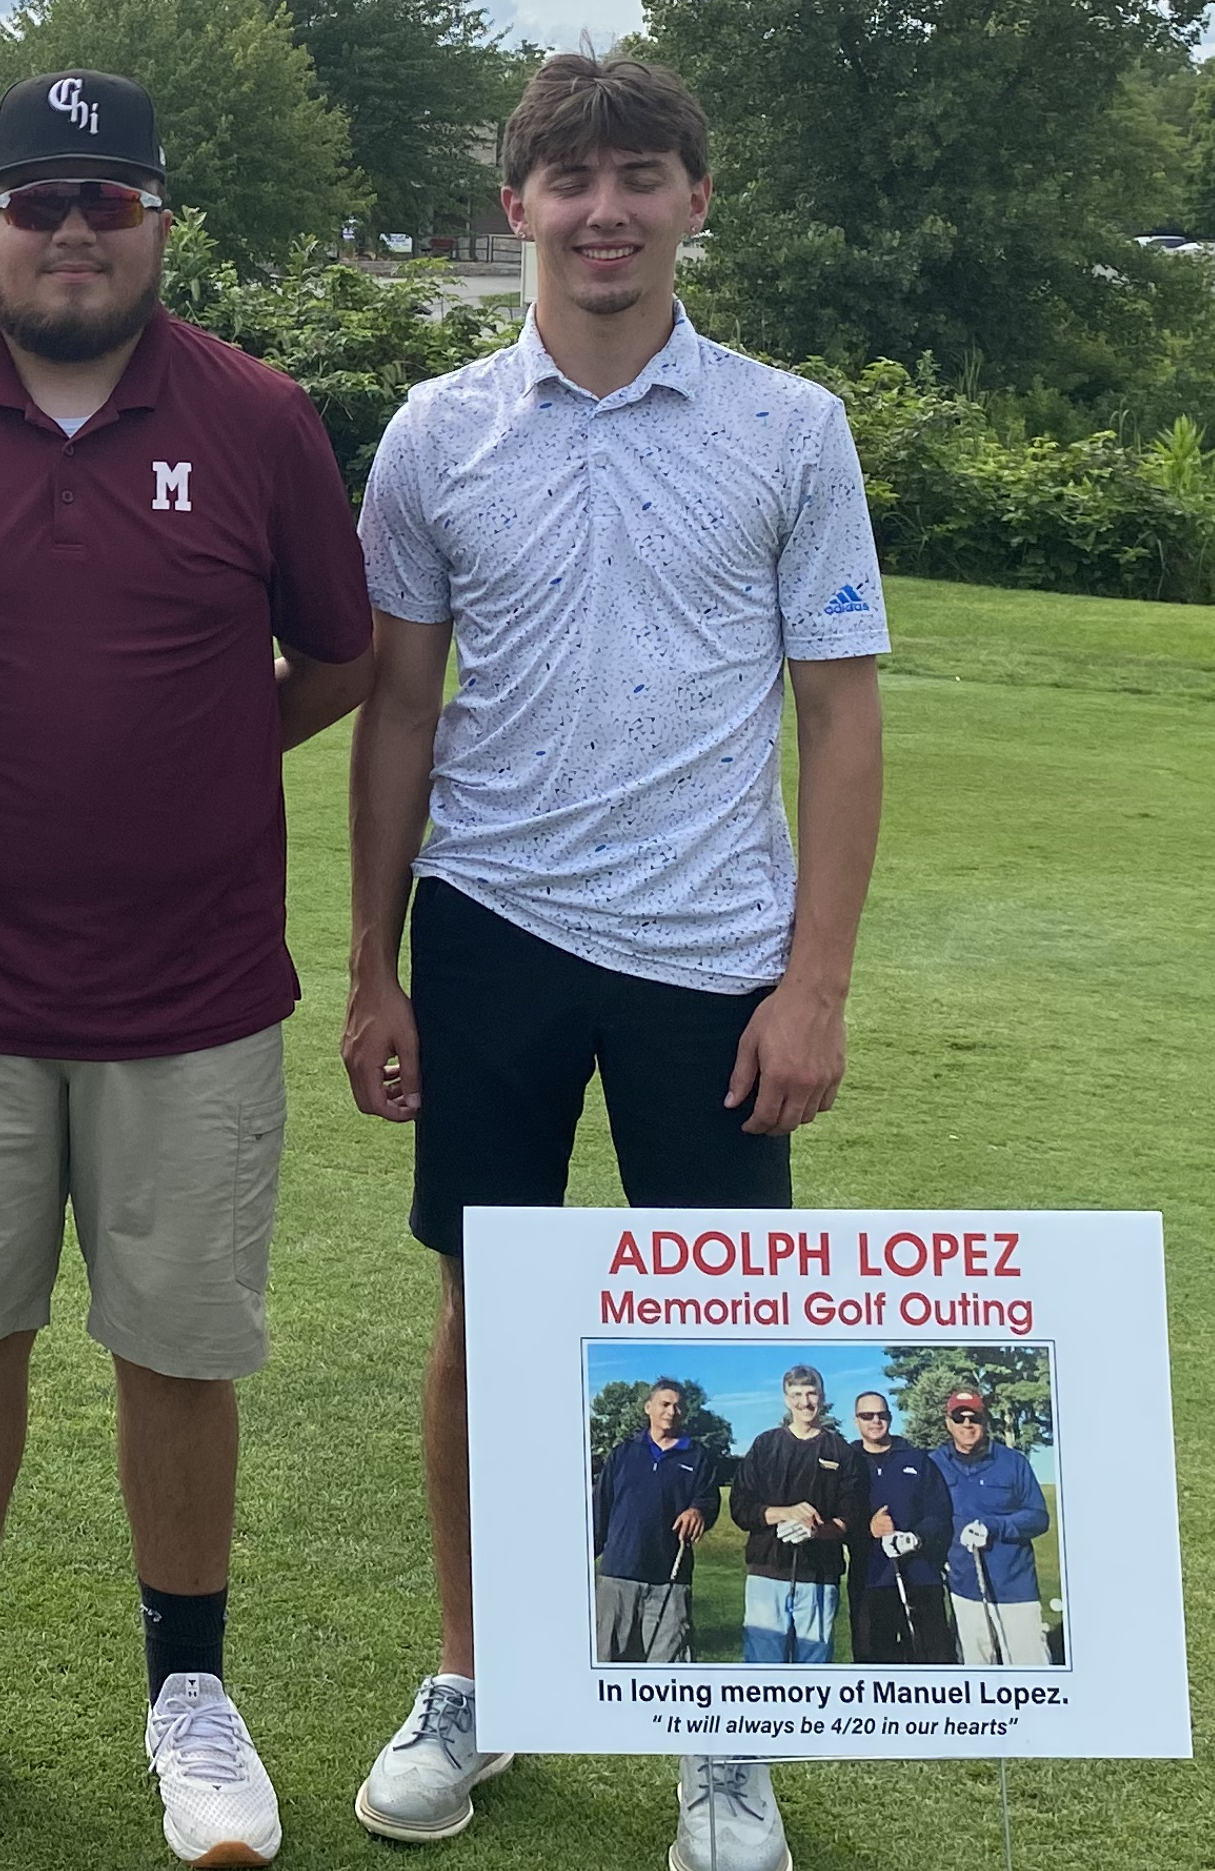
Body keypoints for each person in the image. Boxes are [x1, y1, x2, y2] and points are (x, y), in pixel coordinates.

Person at [0, 67, 374, 1869]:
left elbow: (337, 661)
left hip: (190, 997)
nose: (69, 231)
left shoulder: (259, 417)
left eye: (104, 203)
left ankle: (189, 1695)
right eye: (35, 200)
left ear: (157, 226)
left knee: (176, 1347)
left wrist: (188, 770)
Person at [337, 51, 888, 1870]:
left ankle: (718, 1743)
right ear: (514, 208)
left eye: (639, 175)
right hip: (487, 933)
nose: (603, 211)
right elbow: (398, 714)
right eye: (567, 180)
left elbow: (840, 719)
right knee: (485, 1320)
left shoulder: (789, 427)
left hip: (714, 958)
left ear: (693, 201)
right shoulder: (433, 432)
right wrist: (372, 961)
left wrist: (810, 982)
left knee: (722, 1344)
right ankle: (480, 1685)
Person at [728, 1367, 862, 1664]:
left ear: (822, 1397)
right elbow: (741, 1507)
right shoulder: (766, 1445)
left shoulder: (840, 1451)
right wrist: (784, 1514)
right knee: (764, 1668)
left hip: (819, 1576)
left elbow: (850, 1516)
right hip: (767, 1573)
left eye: (811, 1393)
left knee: (814, 1669)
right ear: (787, 1400)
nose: (805, 1402)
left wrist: (818, 1531)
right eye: (797, 1395)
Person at [590, 1380, 719, 1663]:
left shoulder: (697, 1456)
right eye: (664, 1404)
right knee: (607, 1661)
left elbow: (709, 1500)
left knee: (669, 1669)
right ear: (649, 1408)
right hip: (618, 1574)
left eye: (678, 1406)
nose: (671, 1411)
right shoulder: (623, 1453)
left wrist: (697, 1510)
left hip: (669, 1579)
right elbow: (599, 1510)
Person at [930, 1389, 1053, 1665]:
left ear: (984, 1421)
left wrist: (994, 1526)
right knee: (975, 1668)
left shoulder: (1013, 1462)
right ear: (948, 1423)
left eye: (974, 1417)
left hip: (1014, 1587)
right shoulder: (934, 1464)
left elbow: (1037, 1516)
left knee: (1029, 1669)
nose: (967, 1425)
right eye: (959, 1418)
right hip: (964, 1588)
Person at [848, 1391, 956, 1665]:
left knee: (931, 1661)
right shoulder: (848, 1461)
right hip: (871, 1580)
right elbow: (838, 1516)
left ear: (890, 1418)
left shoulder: (916, 1459)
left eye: (881, 1415)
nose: (875, 1421)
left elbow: (940, 1513)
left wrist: (917, 1538)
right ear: (856, 1420)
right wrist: (867, 1528)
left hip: (920, 1577)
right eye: (867, 1415)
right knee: (873, 1662)